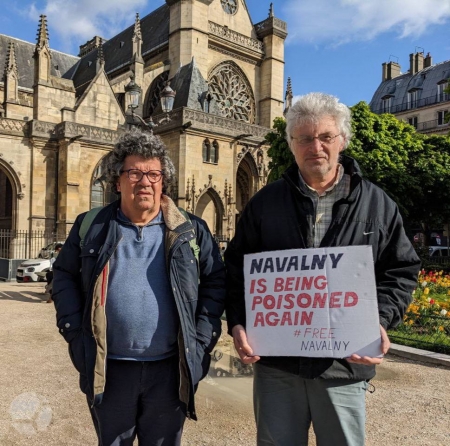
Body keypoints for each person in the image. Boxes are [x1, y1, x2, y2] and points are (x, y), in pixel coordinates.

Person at [225, 92, 421, 446]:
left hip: (343, 364)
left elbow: (401, 270)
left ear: (342, 140)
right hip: (278, 363)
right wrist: (238, 320)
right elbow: (236, 269)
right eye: (304, 138)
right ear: (292, 144)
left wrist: (379, 321)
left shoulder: (377, 203)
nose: (315, 146)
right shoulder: (264, 203)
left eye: (325, 136)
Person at [52, 128, 226, 446]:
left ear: (162, 183)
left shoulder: (191, 231)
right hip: (110, 368)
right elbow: (63, 276)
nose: (144, 181)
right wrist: (75, 334)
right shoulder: (91, 227)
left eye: (153, 174)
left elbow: (216, 283)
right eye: (134, 172)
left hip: (170, 370)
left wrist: (200, 343)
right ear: (118, 182)